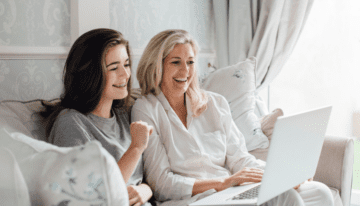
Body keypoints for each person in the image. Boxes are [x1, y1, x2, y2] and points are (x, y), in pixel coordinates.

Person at [132, 29, 334, 206]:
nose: (185, 71)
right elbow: (160, 183)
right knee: (284, 198)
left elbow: (240, 159)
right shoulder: (146, 108)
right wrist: (223, 183)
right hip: (192, 199)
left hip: (229, 192)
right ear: (157, 65)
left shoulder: (215, 103)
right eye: (176, 62)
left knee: (319, 193)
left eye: (190, 62)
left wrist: (283, 173)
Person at [41, 28, 153, 206]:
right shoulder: (70, 123)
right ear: (90, 74)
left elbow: (144, 181)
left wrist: (144, 191)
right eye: (114, 68)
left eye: (126, 64)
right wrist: (136, 148)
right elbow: (91, 195)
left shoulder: (125, 114)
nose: (125, 74)